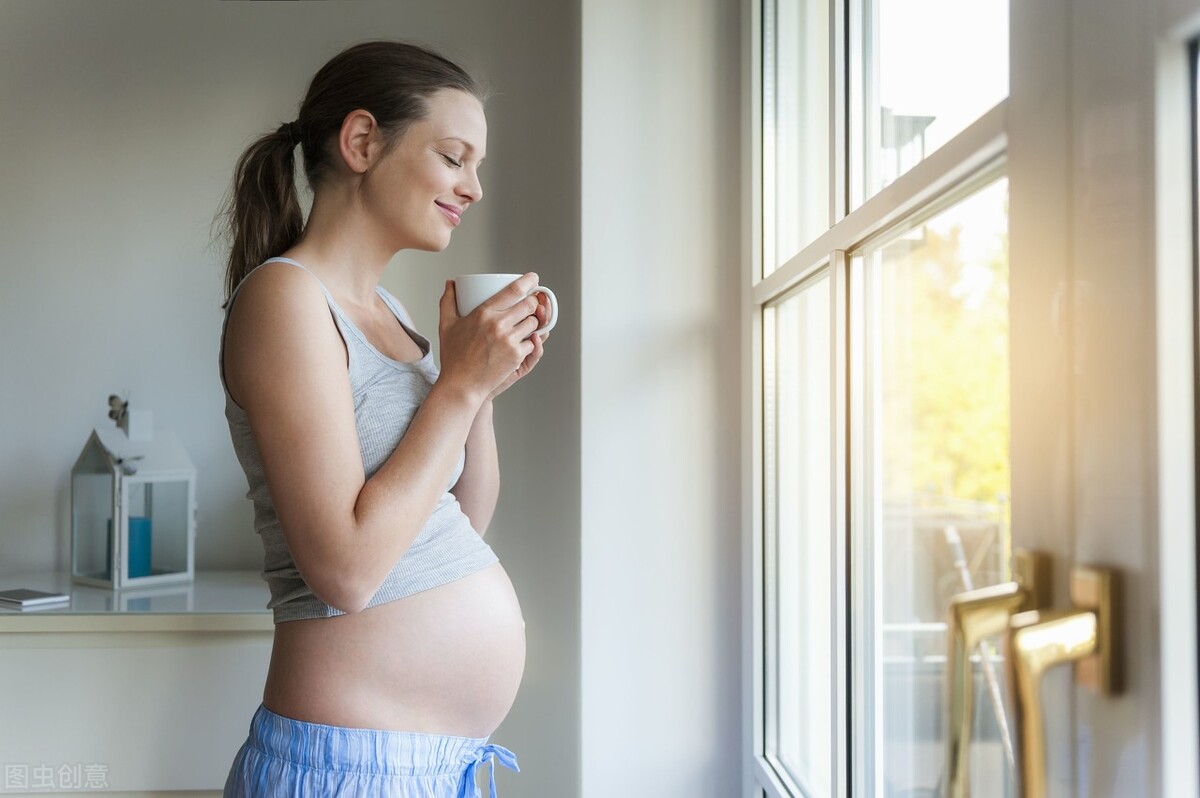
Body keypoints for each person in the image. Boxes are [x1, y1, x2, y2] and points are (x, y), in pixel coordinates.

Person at [216, 40, 546, 797]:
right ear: (362, 141)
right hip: (348, 767)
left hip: (434, 767)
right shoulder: (285, 300)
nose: (475, 188)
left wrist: (481, 389)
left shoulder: (392, 315)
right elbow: (346, 570)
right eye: (456, 157)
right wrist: (456, 388)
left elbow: (458, 523)